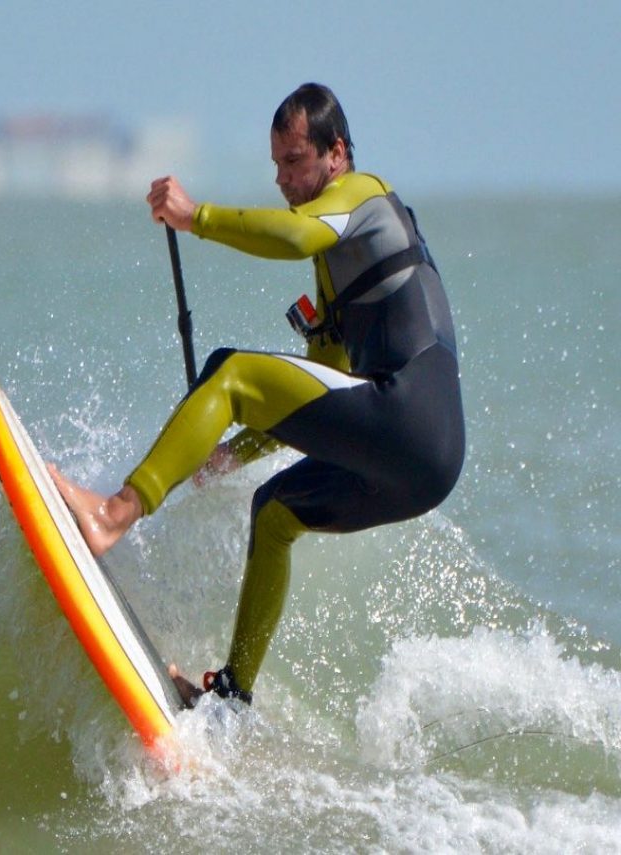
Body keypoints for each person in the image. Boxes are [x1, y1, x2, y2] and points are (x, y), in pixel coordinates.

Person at [50, 83, 465, 708]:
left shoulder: (365, 197)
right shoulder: (339, 270)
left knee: (232, 372)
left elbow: (295, 237)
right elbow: (317, 381)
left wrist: (197, 219)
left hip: (411, 414)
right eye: (276, 166)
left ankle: (111, 516)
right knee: (275, 512)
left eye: (295, 163)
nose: (283, 180)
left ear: (337, 154)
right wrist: (233, 456)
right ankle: (231, 700)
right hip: (423, 467)